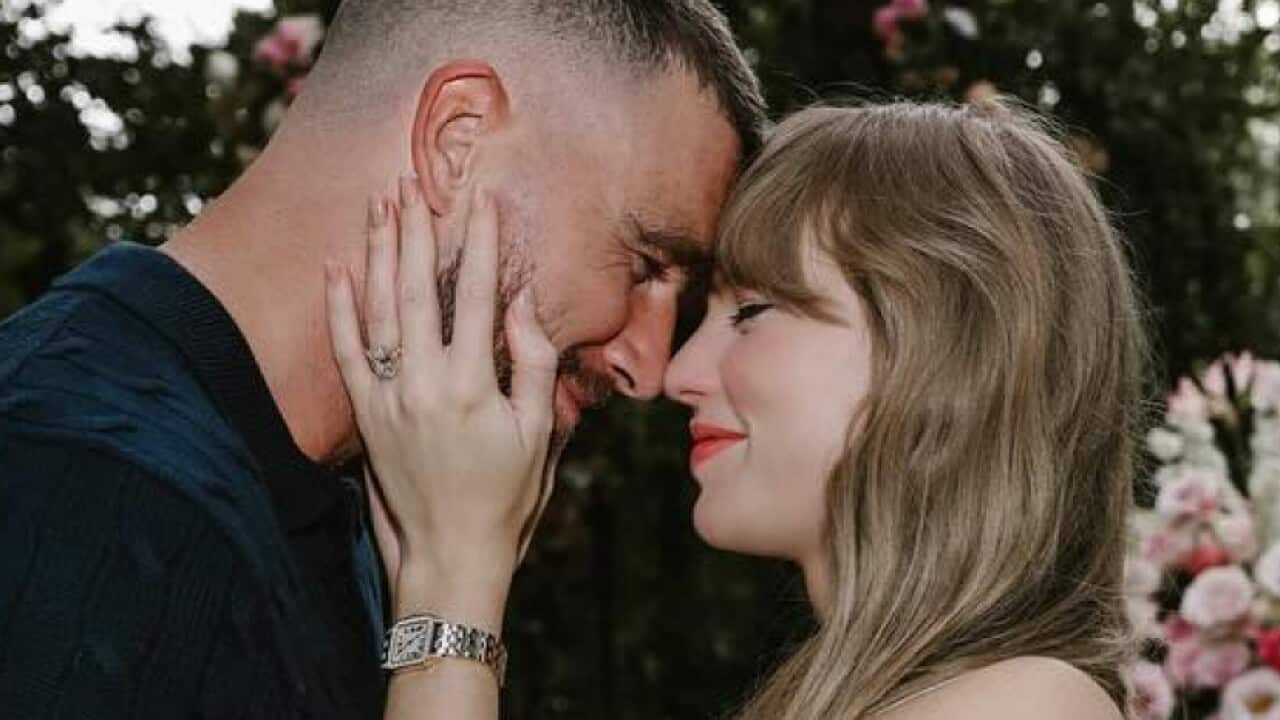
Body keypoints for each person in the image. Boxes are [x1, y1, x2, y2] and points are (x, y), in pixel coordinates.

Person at [0, 2, 764, 717]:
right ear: (455, 143)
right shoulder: (71, 489)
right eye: (644, 265)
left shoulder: (354, 514)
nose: (650, 366)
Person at [330, 99, 1147, 719]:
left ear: (953, 352)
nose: (681, 372)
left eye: (752, 313)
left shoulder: (1024, 704)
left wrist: (454, 589)